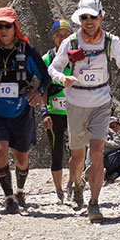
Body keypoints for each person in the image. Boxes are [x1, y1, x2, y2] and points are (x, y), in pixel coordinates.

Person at [48, 0, 120, 222]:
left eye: (93, 17)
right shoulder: (71, 42)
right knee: (77, 156)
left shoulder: (111, 42)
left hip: (101, 101)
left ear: (101, 17)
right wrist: (62, 79)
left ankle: (94, 202)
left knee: (96, 153)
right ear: (80, 18)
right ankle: (77, 185)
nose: (89, 21)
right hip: (76, 103)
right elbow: (53, 68)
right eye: (84, 17)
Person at [0, 7, 50, 213]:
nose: (4, 30)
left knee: (21, 157)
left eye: (7, 26)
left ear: (15, 28)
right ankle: (8, 198)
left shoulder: (28, 52)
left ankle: (20, 190)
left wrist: (37, 92)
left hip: (21, 112)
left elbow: (46, 77)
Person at [39, 18, 73, 203]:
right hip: (54, 112)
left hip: (75, 110)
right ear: (53, 37)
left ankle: (72, 184)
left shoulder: (76, 57)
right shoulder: (47, 59)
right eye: (58, 36)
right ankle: (59, 190)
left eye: (65, 35)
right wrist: (44, 112)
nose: (62, 39)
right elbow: (41, 89)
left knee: (76, 151)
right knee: (56, 151)